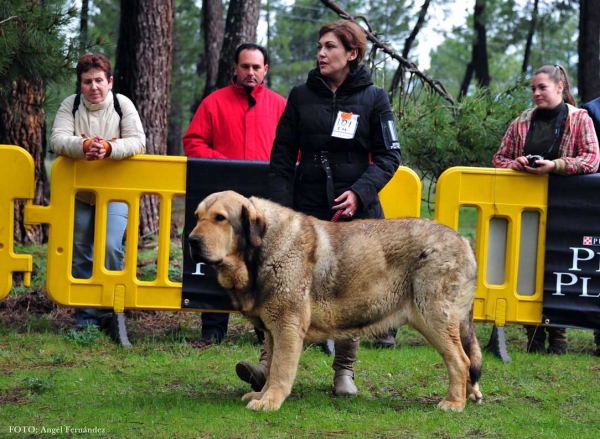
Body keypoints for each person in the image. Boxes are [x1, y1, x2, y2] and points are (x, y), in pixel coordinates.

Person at [235, 20, 401, 396]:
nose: (321, 53)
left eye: (330, 47)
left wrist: (360, 192)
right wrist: (280, 211)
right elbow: (280, 157)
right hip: (303, 211)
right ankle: (268, 363)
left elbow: (390, 155)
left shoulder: (375, 97)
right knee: (280, 288)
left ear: (352, 53)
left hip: (356, 212)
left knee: (351, 287)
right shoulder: (300, 95)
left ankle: (344, 370)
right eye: (319, 47)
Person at [182, 43, 287, 347]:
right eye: (245, 66)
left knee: (263, 264)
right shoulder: (214, 103)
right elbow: (193, 142)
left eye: (256, 67)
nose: (250, 72)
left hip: (262, 208)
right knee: (217, 260)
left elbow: (291, 149)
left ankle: (263, 330)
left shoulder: (280, 106)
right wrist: (226, 167)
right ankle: (214, 328)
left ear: (265, 70)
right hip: (222, 208)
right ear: (235, 69)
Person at [493, 64, 599, 354]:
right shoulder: (522, 122)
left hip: (567, 209)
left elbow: (591, 160)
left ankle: (559, 337)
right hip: (526, 208)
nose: (537, 93)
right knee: (528, 267)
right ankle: (534, 334)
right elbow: (499, 158)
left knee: (559, 267)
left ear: (560, 88)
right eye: (533, 88)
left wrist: (556, 166)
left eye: (542, 87)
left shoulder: (580, 119)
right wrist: (514, 164)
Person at [50, 53, 146, 341]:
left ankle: (112, 312)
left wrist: (108, 148)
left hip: (115, 193)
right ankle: (86, 318)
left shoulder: (122, 104)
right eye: (87, 81)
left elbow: (138, 140)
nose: (94, 87)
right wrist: (85, 144)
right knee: (80, 252)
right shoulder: (71, 105)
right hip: (80, 194)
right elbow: (56, 139)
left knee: (110, 246)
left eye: (99, 81)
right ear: (80, 84)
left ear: (110, 81)